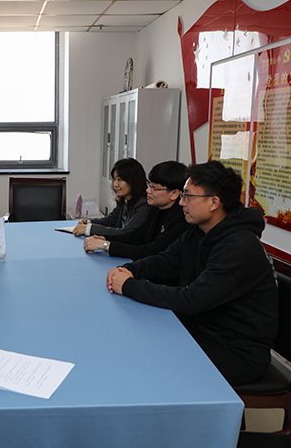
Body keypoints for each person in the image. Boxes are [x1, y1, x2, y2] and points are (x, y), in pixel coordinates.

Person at [106, 160, 278, 386]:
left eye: (188, 196)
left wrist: (129, 285)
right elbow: (166, 260)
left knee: (146, 364)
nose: (181, 202)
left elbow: (191, 299)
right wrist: (129, 269)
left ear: (213, 202)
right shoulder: (199, 230)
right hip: (202, 329)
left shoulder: (238, 246)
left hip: (236, 350)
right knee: (133, 339)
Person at [83, 161, 187, 260]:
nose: (148, 191)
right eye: (149, 186)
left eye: (154, 188)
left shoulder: (180, 220)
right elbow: (135, 236)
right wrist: (104, 239)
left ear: (174, 193)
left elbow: (151, 251)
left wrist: (107, 245)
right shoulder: (156, 210)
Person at [73, 158, 152, 237]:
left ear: (133, 180)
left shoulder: (144, 204)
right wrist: (88, 223)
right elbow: (110, 220)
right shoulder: (125, 200)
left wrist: (88, 229)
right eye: (114, 179)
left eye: (119, 179)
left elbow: (127, 232)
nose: (115, 184)